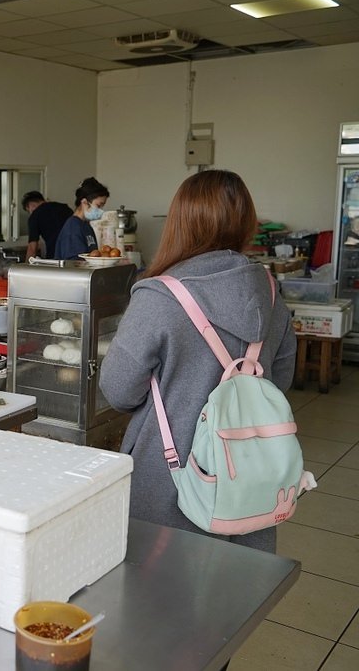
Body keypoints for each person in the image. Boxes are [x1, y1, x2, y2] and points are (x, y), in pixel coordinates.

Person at [99, 170, 296, 553]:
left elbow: (118, 389)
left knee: (161, 596)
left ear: (180, 223)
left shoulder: (160, 296)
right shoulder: (271, 292)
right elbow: (280, 381)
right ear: (246, 223)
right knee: (234, 597)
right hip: (250, 479)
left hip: (171, 481)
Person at [53, 177, 109, 260]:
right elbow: (74, 263)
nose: (101, 211)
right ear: (85, 202)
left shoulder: (86, 225)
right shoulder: (73, 226)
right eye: (98, 205)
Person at [22, 190, 73, 260]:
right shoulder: (65, 208)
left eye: (28, 211)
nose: (30, 213)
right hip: (75, 254)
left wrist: (25, 269)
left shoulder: (35, 216)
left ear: (31, 205)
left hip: (55, 257)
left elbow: (32, 248)